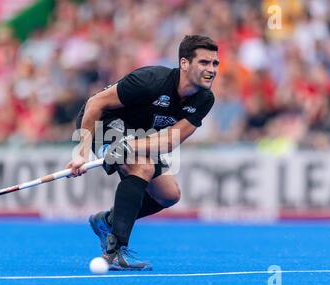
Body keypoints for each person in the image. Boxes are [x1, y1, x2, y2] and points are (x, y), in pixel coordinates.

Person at [66, 35, 219, 271]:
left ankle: (107, 221)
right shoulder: (150, 80)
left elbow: (170, 141)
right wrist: (81, 153)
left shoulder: (204, 99)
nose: (211, 70)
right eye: (204, 63)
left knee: (169, 195)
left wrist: (132, 146)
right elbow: (95, 104)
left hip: (138, 136)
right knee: (142, 167)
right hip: (105, 122)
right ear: (184, 63)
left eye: (214, 64)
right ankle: (115, 250)